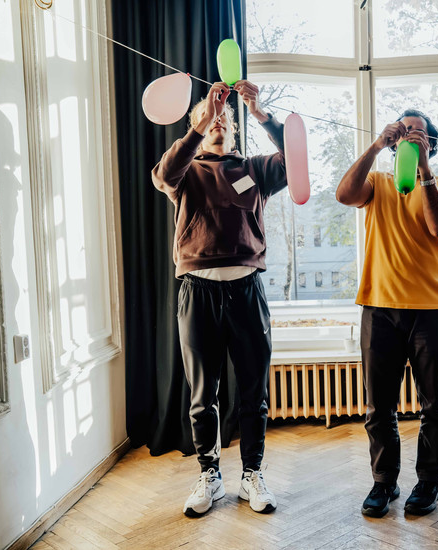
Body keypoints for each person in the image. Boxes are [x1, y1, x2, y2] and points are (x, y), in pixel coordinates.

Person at [152, 80, 286, 517]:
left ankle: (252, 474)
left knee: (253, 391)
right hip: (198, 290)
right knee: (201, 393)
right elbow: (162, 175)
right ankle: (209, 473)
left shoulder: (255, 170)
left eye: (224, 121)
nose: (217, 124)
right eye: (209, 121)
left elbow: (295, 160)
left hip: (247, 290)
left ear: (234, 131)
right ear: (197, 129)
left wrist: (261, 112)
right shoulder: (186, 172)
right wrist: (200, 122)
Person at [335, 110, 438, 517]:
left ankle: (429, 483)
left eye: (418, 133)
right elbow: (344, 195)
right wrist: (374, 147)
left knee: (434, 406)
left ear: (431, 144)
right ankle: (383, 483)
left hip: (431, 312)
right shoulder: (378, 182)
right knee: (379, 407)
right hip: (379, 308)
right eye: (403, 130)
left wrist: (423, 169)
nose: (409, 136)